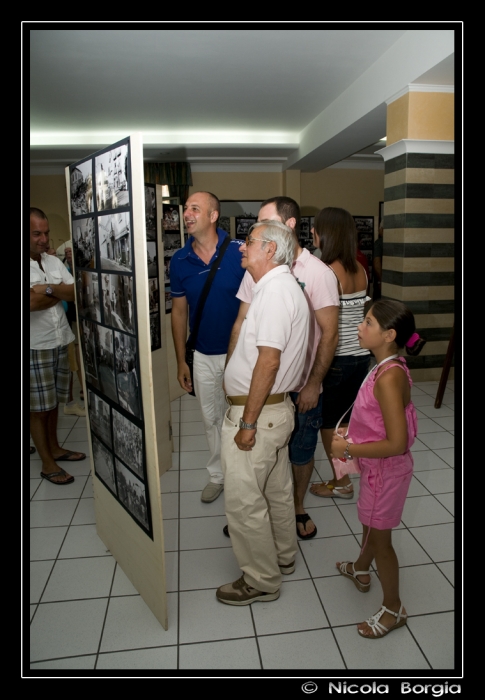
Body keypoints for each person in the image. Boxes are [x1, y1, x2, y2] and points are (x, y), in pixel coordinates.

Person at [226, 196, 339, 539]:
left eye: (262, 224)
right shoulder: (264, 272)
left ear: (284, 230)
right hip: (263, 386)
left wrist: (313, 383)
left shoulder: (315, 275)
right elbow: (242, 321)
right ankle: (268, 523)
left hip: (293, 384)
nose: (245, 242)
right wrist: (232, 370)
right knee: (271, 467)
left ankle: (293, 510)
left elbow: (328, 334)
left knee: (299, 450)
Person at [216, 220, 310, 605]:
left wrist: (247, 423)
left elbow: (268, 362)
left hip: (259, 416)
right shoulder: (279, 287)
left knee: (244, 501)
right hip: (275, 412)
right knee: (276, 490)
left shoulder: (273, 293)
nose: (242, 246)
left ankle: (260, 579)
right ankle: (284, 557)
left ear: (270, 250)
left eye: (249, 241)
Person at [332, 300, 426, 638]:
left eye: (367, 322)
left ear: (389, 334)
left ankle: (393, 608)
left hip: (385, 471)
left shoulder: (388, 377)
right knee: (370, 526)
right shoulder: (388, 364)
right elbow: (380, 423)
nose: (360, 327)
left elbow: (397, 442)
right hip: (381, 469)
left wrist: (348, 448)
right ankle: (360, 568)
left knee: (381, 542)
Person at [170, 192, 245, 502]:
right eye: (186, 208)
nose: (186, 213)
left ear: (214, 216)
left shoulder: (241, 251)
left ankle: (240, 473)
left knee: (240, 416)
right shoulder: (179, 260)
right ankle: (218, 475)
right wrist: (181, 362)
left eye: (194, 208)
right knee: (209, 417)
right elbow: (178, 312)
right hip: (201, 355)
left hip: (241, 355)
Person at [309, 207, 371, 500]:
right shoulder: (359, 268)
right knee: (344, 422)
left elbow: (325, 327)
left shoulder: (328, 272)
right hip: (360, 357)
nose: (312, 233)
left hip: (337, 359)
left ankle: (342, 481)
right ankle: (345, 477)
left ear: (327, 234)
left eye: (316, 228)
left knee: (331, 425)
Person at [30, 208, 86, 484]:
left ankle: (54, 447)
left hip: (59, 339)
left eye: (46, 233)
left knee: (52, 404)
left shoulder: (50, 262)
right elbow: (29, 303)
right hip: (34, 346)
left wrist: (46, 289)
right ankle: (47, 462)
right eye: (36, 233)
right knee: (37, 408)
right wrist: (55, 290)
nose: (43, 239)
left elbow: (75, 293)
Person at [372, 221, 384, 300]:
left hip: (380, 283)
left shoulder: (378, 243)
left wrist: (380, 281)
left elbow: (377, 263)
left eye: (379, 228)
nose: (378, 231)